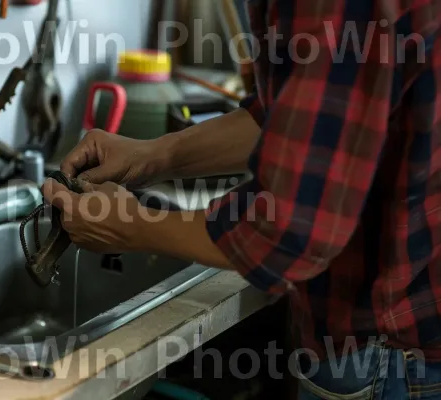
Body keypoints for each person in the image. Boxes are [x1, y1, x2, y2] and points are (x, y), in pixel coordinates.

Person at [42, 1, 441, 398]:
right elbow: (293, 121)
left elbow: (289, 231)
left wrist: (130, 225)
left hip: (392, 359)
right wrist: (153, 156)